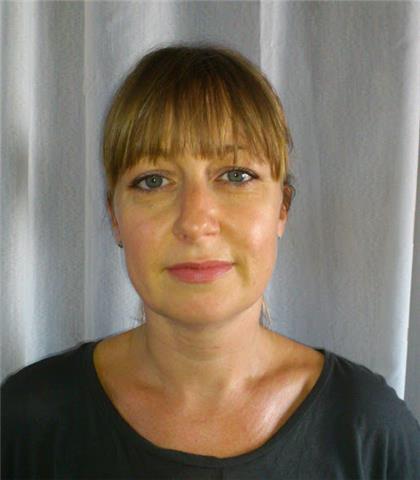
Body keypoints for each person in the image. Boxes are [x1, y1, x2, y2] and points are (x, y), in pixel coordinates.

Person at [1, 42, 419, 480]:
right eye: (153, 181)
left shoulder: (369, 431)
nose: (196, 222)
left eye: (236, 176)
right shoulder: (27, 423)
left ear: (282, 208)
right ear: (115, 218)